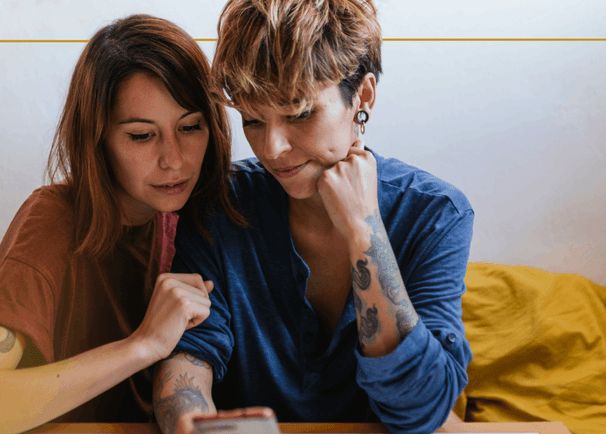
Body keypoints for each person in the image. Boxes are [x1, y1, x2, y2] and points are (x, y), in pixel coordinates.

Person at [151, 1, 474, 433]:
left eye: (299, 113)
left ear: (362, 96)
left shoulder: (435, 215)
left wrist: (364, 229)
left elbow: (422, 410)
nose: (271, 148)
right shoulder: (219, 204)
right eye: (253, 120)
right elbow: (191, 353)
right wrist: (191, 425)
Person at [0, 14, 246, 434]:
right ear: (97, 139)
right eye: (141, 136)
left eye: (190, 127)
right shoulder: (53, 222)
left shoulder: (204, 216)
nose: (175, 160)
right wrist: (143, 344)